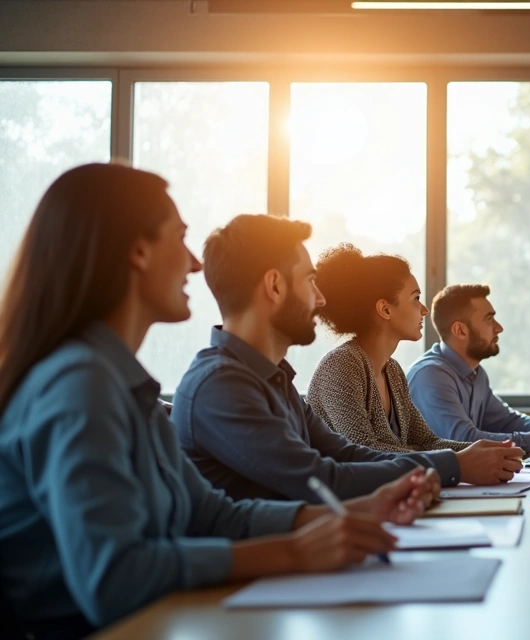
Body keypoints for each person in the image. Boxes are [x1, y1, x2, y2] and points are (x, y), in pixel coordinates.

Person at [0, 165, 435, 639]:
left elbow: (212, 514)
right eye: (180, 238)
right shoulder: (78, 384)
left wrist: (359, 512)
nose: (193, 263)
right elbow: (114, 578)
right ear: (139, 252)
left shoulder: (123, 383)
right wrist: (294, 551)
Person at [171, 215, 523, 502]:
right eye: (309, 281)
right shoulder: (222, 385)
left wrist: (460, 459)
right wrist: (453, 466)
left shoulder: (274, 378)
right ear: (275, 286)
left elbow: (345, 454)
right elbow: (322, 476)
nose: (321, 299)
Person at [307, 245, 522, 485]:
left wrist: (483, 451)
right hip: (348, 507)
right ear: (385, 309)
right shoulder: (341, 367)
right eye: (416, 298)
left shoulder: (393, 370)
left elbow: (429, 441)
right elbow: (363, 452)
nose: (424, 310)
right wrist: (458, 463)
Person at [406, 284, 530, 454]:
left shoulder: (476, 374)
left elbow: (506, 422)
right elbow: (463, 440)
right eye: (489, 319)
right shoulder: (430, 376)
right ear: (460, 330)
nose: (499, 328)